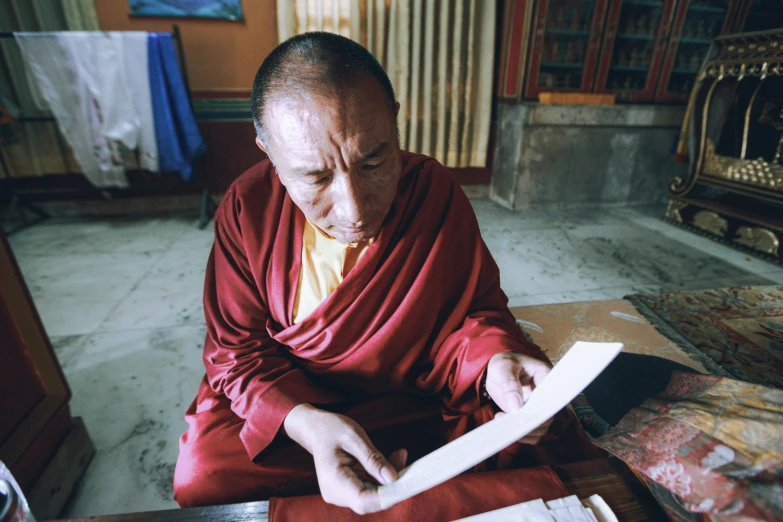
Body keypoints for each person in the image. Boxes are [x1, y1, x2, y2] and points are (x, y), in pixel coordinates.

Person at [173, 32, 598, 514]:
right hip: (298, 397)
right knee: (203, 476)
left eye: (374, 161)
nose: (353, 210)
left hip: (411, 393)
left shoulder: (431, 191)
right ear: (268, 152)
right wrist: (309, 426)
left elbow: (471, 315)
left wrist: (494, 362)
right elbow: (237, 353)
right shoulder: (248, 210)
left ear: (395, 122)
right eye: (316, 178)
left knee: (535, 427)